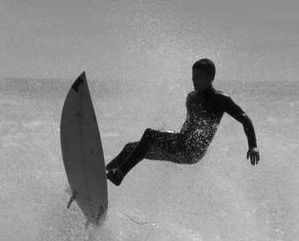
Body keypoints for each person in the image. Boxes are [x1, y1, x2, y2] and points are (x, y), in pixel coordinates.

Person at [106, 58, 259, 186]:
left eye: (198, 76)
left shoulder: (219, 99)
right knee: (130, 148)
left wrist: (252, 145)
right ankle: (104, 174)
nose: (194, 79)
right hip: (181, 146)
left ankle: (119, 175)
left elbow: (244, 118)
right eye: (193, 75)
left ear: (210, 78)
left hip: (192, 150)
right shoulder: (192, 97)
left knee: (149, 135)